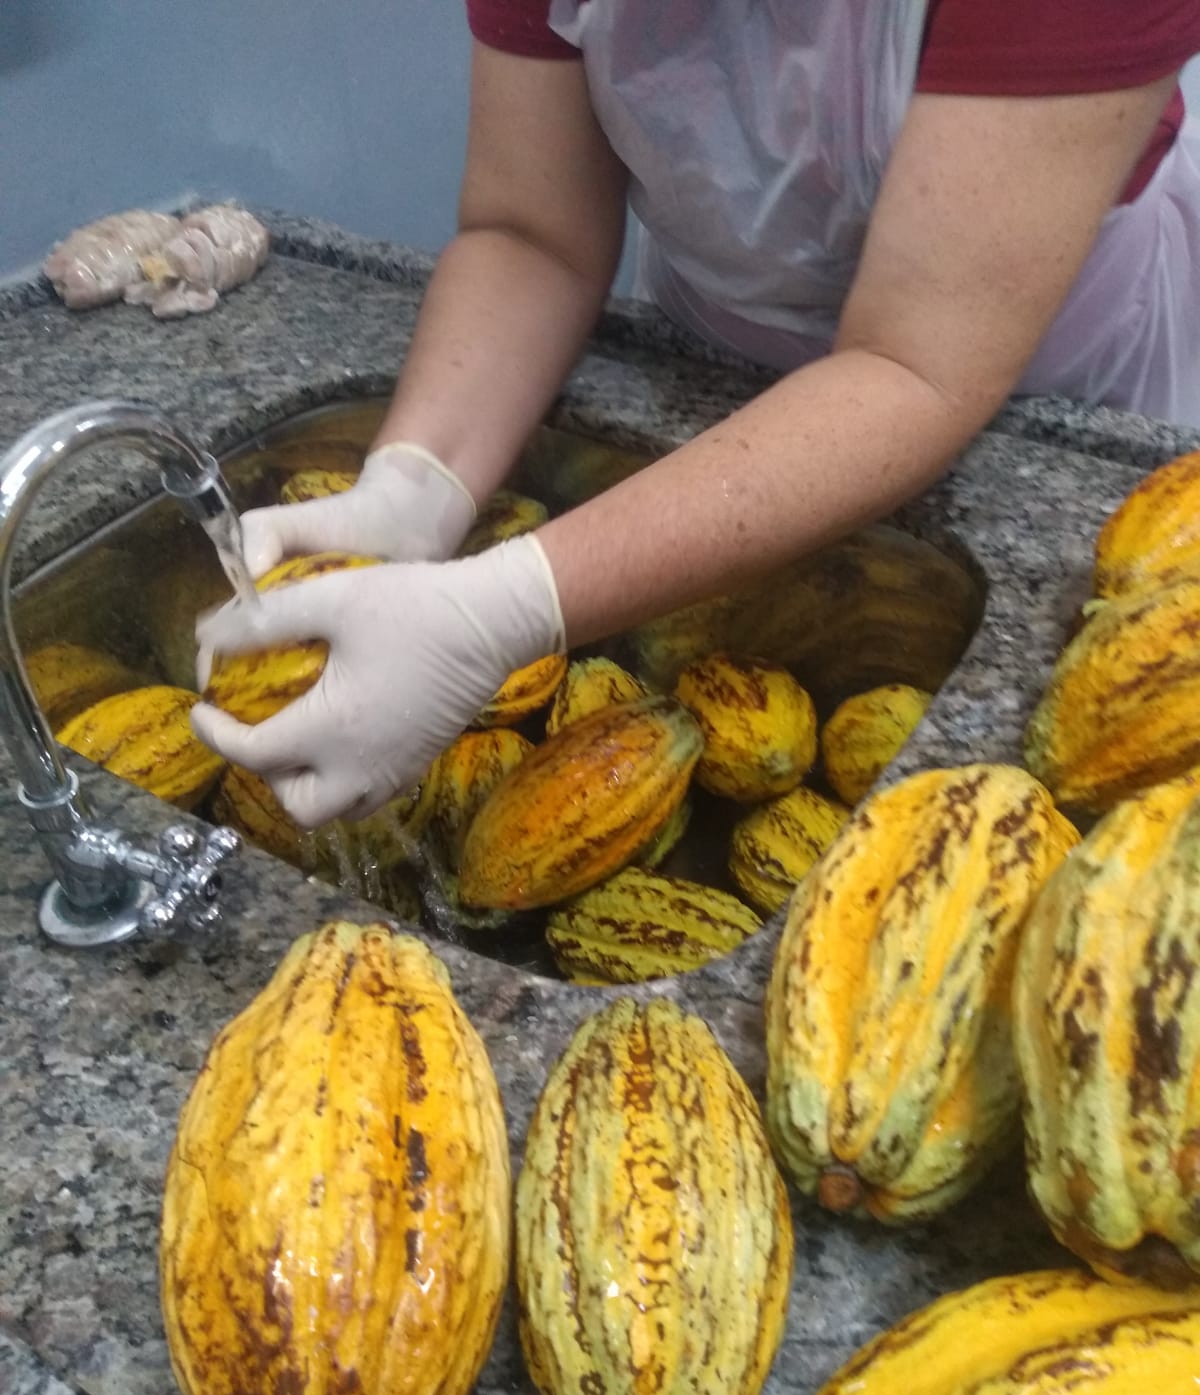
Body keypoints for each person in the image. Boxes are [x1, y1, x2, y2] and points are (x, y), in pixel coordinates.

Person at [190, 1, 1200, 831]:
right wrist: (414, 483)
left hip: (1034, 389)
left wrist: (496, 610)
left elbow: (916, 366)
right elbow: (532, 234)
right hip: (712, 359)